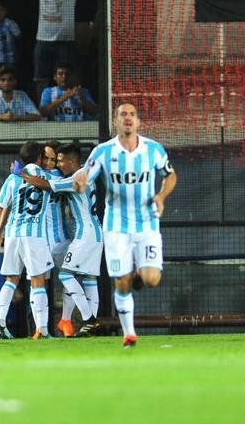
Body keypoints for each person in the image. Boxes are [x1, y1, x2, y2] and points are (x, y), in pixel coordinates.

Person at [74, 104, 177, 348]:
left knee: (152, 280)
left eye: (132, 115)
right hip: (116, 226)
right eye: (123, 114)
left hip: (147, 224)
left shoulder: (153, 149)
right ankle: (129, 333)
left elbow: (170, 175)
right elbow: (83, 182)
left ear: (138, 122)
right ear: (115, 122)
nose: (128, 118)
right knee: (121, 280)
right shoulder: (102, 152)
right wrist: (79, 183)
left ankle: (140, 271)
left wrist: (161, 196)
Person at [20, 143, 102, 337]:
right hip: (96, 233)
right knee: (89, 278)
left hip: (85, 234)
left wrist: (21, 174)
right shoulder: (85, 173)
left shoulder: (77, 178)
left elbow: (47, 185)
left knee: (65, 275)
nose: (58, 164)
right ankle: (89, 326)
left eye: (60, 161)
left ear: (72, 161)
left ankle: (89, 318)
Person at [0, 141, 55, 338]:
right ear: (39, 158)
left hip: (13, 233)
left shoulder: (13, 178)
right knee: (38, 280)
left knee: (11, 279)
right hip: (34, 234)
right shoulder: (47, 176)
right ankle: (42, 329)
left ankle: (0, 323)